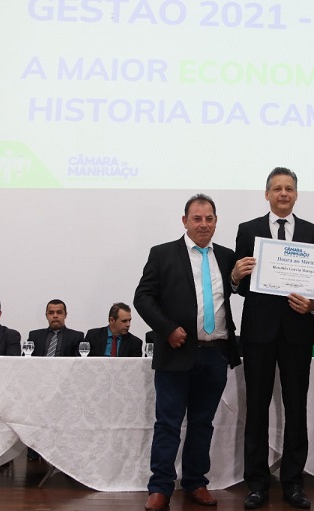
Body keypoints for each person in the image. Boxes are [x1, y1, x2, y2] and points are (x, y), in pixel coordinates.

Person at [134, 194, 241, 511]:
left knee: (202, 423)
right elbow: (143, 298)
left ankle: (196, 482)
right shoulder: (163, 254)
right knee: (168, 423)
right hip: (175, 352)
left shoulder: (227, 256)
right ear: (185, 221)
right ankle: (160, 487)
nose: (203, 224)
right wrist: (167, 329)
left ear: (216, 222)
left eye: (209, 218)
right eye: (197, 218)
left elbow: (235, 291)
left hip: (215, 353)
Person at [231, 167, 314, 509]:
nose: (283, 193)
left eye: (289, 188)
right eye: (277, 188)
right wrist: (235, 276)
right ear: (267, 194)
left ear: (296, 194)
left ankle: (294, 482)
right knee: (256, 408)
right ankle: (256, 483)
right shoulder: (248, 230)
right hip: (258, 332)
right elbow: (241, 286)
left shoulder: (313, 233)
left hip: (297, 332)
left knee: (296, 408)